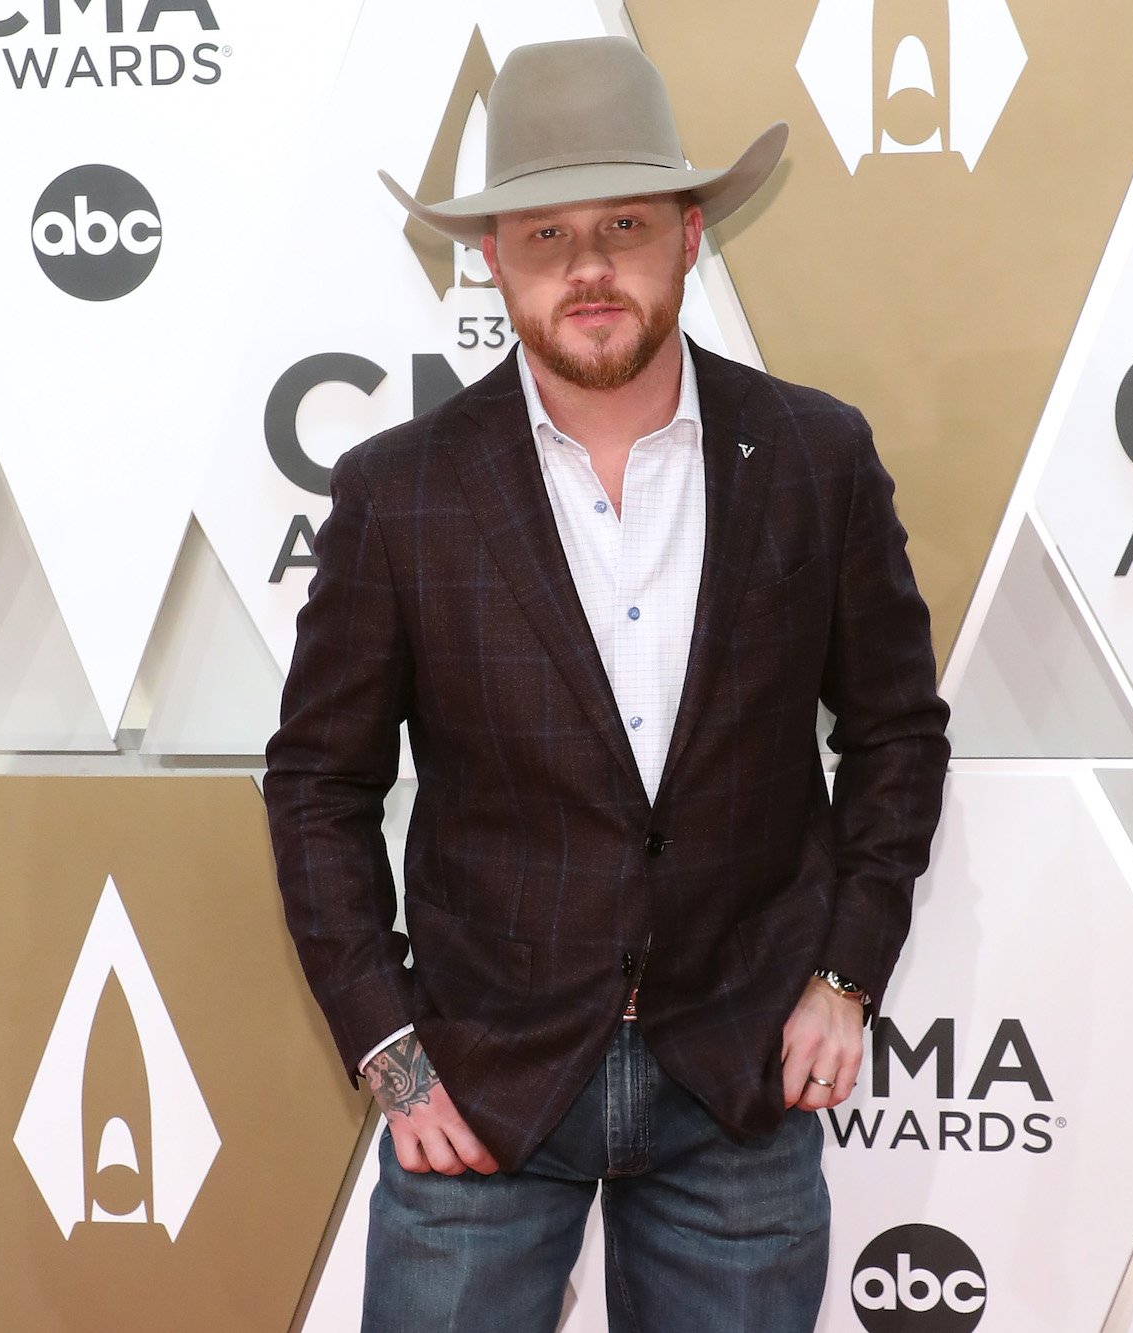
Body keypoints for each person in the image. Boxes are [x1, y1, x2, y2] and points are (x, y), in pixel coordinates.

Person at [264, 35, 950, 1333]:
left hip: (738, 1078)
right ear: (491, 259)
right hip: (482, 1085)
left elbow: (898, 732)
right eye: (544, 234)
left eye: (624, 224)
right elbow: (317, 784)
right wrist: (390, 1050)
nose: (587, 267)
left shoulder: (815, 456)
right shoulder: (400, 491)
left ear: (690, 235)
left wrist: (847, 972)